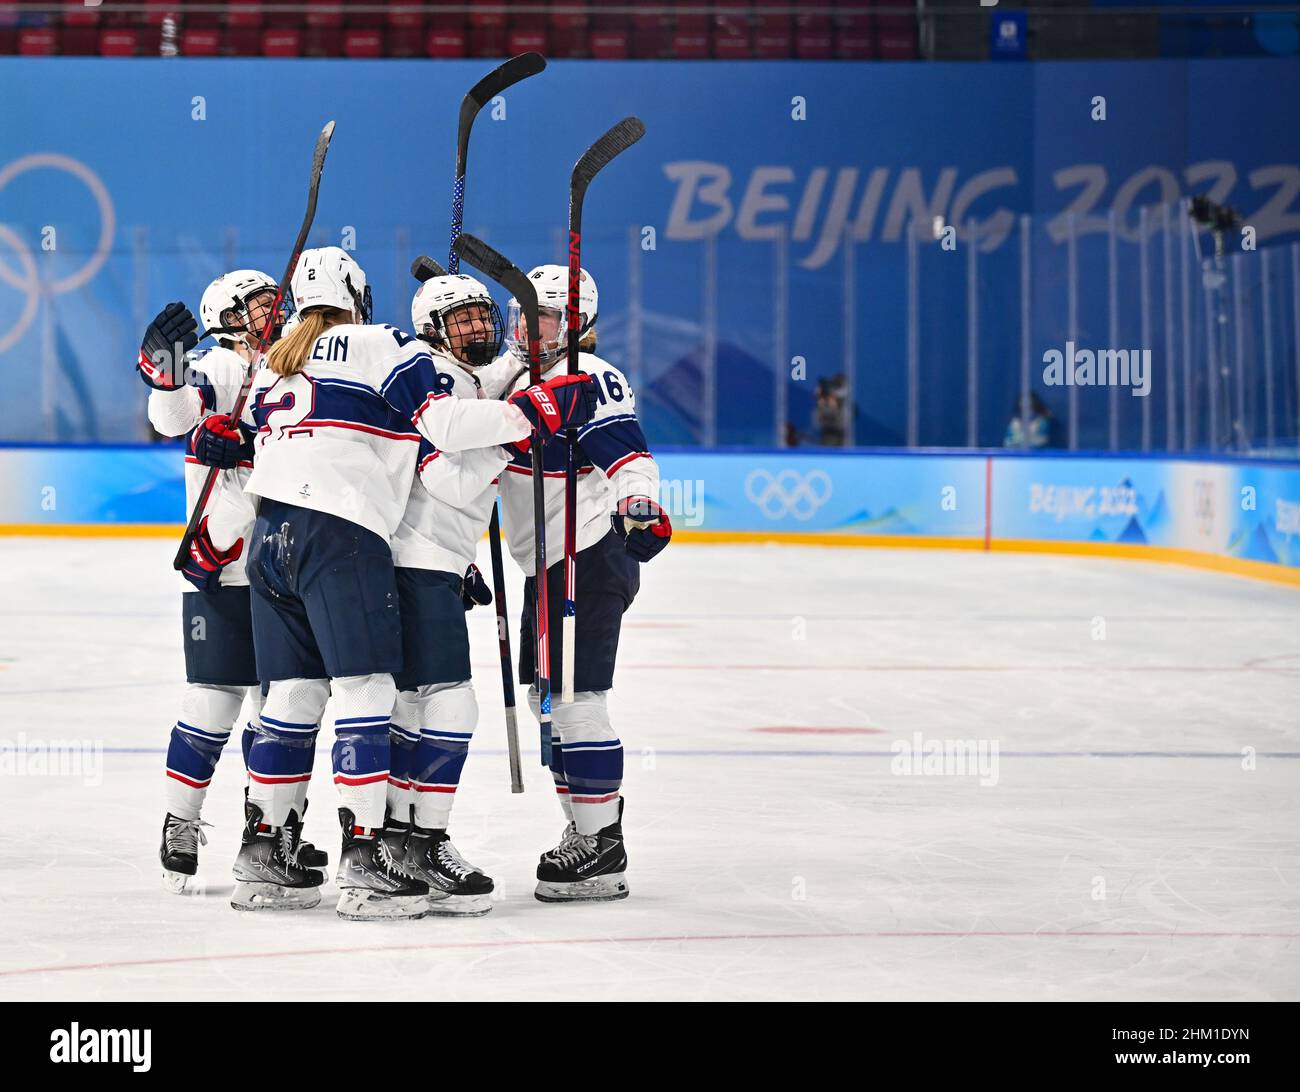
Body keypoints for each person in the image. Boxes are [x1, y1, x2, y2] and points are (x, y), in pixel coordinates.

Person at [191, 247, 595, 919]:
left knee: (292, 695)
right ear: (359, 292)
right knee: (370, 690)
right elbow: (440, 424)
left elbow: (262, 448)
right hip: (340, 535)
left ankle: (265, 851)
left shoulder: (276, 361)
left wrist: (216, 535)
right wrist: (533, 414)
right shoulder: (382, 343)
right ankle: (368, 854)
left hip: (268, 538)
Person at [480, 264, 671, 903]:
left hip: (587, 552)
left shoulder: (591, 376)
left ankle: (601, 848)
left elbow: (628, 455)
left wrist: (639, 506)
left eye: (546, 318)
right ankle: (584, 831)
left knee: (578, 700)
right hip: (545, 562)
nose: (529, 330)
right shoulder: (508, 377)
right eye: (524, 316)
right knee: (554, 705)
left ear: (578, 322)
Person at [139, 270, 326, 893]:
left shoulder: (299, 368)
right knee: (215, 698)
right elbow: (172, 416)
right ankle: (181, 819)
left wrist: (250, 442)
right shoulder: (219, 367)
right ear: (224, 316)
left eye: (279, 302)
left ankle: (275, 828)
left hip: (291, 567)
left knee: (286, 707)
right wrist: (163, 371)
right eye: (258, 306)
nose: (275, 312)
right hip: (225, 564)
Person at [380, 271, 551, 915]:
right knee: (448, 706)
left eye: (483, 315)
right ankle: (416, 842)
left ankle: (401, 838)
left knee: (416, 705)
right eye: (463, 320)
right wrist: (517, 432)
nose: (478, 327)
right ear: (434, 331)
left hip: (435, 562)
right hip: (415, 561)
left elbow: (497, 382)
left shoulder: (463, 377)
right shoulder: (433, 378)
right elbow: (448, 479)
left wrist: (533, 360)